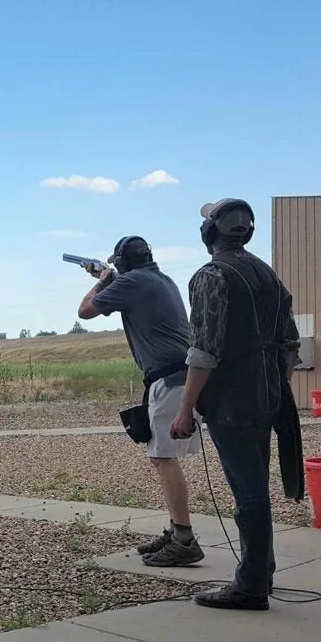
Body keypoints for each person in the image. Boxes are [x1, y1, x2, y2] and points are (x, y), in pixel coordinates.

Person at [171, 198, 303, 611]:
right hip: (268, 394)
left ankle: (250, 586)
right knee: (254, 487)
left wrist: (184, 408)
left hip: (233, 399)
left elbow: (204, 351)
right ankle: (260, 572)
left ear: (209, 234)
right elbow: (290, 344)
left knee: (248, 494)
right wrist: (273, 386)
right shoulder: (265, 273)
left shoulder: (212, 275)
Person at [77, 235, 205, 567]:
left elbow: (86, 311)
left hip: (170, 378)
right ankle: (177, 529)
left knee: (163, 458)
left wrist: (103, 281)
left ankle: (184, 539)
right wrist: (110, 280)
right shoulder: (158, 278)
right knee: (161, 457)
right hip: (178, 375)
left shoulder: (131, 281)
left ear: (121, 263)